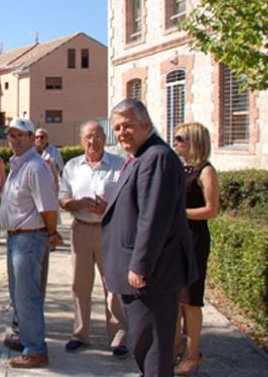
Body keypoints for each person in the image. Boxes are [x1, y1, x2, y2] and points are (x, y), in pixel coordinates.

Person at [102, 99, 197, 377]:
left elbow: (153, 218)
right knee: (144, 346)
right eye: (117, 128)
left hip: (151, 277)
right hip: (142, 276)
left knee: (154, 349)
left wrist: (139, 265)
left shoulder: (156, 157)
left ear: (146, 123)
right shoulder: (142, 156)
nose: (121, 133)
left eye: (127, 125)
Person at [58, 121, 128, 358]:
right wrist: (75, 204)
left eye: (98, 136)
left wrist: (107, 208)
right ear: (81, 140)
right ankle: (80, 334)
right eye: (88, 136)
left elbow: (128, 200)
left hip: (109, 230)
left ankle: (118, 337)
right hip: (80, 229)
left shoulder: (119, 165)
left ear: (104, 138)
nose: (93, 141)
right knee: (80, 285)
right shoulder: (72, 166)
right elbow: (62, 198)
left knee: (113, 285)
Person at [0, 118, 62, 369]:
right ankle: (27, 339)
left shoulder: (35, 167)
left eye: (20, 135)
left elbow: (48, 208)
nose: (14, 140)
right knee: (18, 295)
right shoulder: (19, 165)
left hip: (29, 238)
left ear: (30, 137)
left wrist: (51, 232)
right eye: (11, 135)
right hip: (16, 238)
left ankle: (36, 350)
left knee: (27, 297)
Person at [171, 122, 219, 376]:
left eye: (180, 138)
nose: (175, 142)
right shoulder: (181, 169)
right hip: (176, 239)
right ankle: (177, 347)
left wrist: (180, 214)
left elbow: (211, 209)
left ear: (194, 141)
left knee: (191, 300)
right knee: (176, 298)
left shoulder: (206, 171)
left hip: (194, 239)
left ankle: (193, 353)